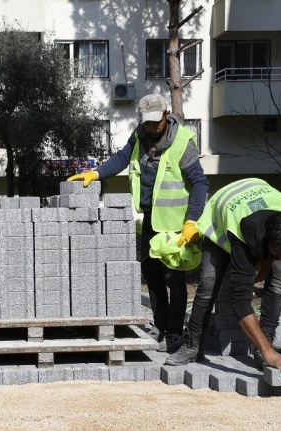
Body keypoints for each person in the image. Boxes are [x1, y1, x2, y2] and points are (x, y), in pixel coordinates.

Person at [68, 93, 208, 352]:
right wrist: (96, 173)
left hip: (177, 225)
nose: (152, 128)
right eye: (147, 123)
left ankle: (176, 333)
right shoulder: (140, 136)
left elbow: (200, 184)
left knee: (174, 280)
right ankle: (162, 326)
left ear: (166, 115)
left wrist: (192, 222)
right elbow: (122, 158)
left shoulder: (182, 144)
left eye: (156, 122)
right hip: (152, 220)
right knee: (152, 274)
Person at [165, 178, 281, 380]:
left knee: (277, 280)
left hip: (260, 201)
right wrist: (269, 351)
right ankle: (192, 345)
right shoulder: (243, 228)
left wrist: (269, 262)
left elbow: (273, 260)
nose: (279, 258)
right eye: (274, 253)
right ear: (265, 241)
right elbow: (239, 300)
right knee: (208, 283)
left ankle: (264, 341)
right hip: (221, 217)